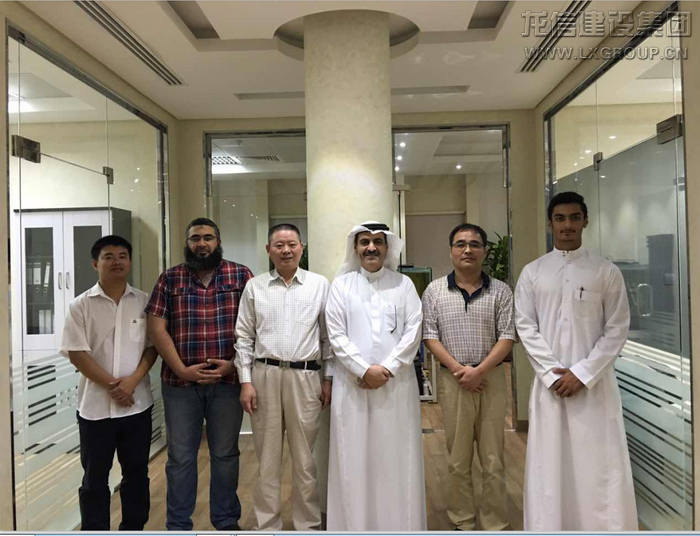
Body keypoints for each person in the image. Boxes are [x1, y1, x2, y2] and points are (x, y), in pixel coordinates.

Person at [514, 191, 637, 531]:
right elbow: (525, 326)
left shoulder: (606, 271)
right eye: (560, 218)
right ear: (550, 224)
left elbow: (617, 328)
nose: (567, 225)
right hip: (550, 387)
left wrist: (582, 374)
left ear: (585, 221)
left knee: (599, 465)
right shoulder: (533, 272)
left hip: (595, 388)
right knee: (549, 465)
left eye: (574, 218)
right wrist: (553, 375)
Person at [145, 218, 253, 531]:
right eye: (195, 238)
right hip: (180, 385)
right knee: (180, 457)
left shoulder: (241, 275)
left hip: (228, 383)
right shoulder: (170, 278)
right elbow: (156, 328)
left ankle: (226, 521)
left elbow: (257, 325)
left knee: (225, 454)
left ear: (218, 242)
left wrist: (233, 364)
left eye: (208, 237)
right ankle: (178, 525)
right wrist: (182, 369)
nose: (201, 243)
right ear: (187, 243)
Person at [324, 221, 426, 531]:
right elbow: (335, 335)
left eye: (378, 242)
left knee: (396, 456)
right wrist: (363, 369)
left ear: (387, 247)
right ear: (355, 248)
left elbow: (414, 330)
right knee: (352, 456)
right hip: (351, 386)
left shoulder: (403, 285)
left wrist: (386, 369)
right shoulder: (341, 286)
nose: (371, 247)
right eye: (364, 242)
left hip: (396, 386)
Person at [235, 223, 333, 531]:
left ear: (302, 248)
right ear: (269, 250)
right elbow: (243, 337)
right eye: (279, 245)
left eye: (292, 244)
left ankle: (308, 525)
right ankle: (267, 525)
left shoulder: (319, 285)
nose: (286, 250)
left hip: (306, 377)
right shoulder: (255, 287)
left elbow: (328, 338)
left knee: (305, 458)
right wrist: (246, 381)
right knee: (267, 457)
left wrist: (328, 379)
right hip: (264, 376)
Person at [422, 223, 516, 531]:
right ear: (451, 251)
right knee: (458, 458)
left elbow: (507, 336)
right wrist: (459, 370)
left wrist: (479, 371)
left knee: (493, 458)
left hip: (491, 379)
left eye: (475, 244)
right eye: (460, 244)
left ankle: (495, 522)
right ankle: (462, 520)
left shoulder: (501, 290)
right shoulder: (435, 291)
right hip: (454, 381)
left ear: (484, 251)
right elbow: (430, 335)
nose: (467, 250)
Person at [60, 235, 157, 530]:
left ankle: (133, 529)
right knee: (94, 479)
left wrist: (132, 383)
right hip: (95, 410)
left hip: (137, 407)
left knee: (136, 475)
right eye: (109, 257)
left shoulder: (144, 302)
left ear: (130, 262)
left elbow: (152, 348)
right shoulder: (80, 305)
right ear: (95, 263)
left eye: (122, 256)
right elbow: (77, 354)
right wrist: (116, 386)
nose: (117, 262)